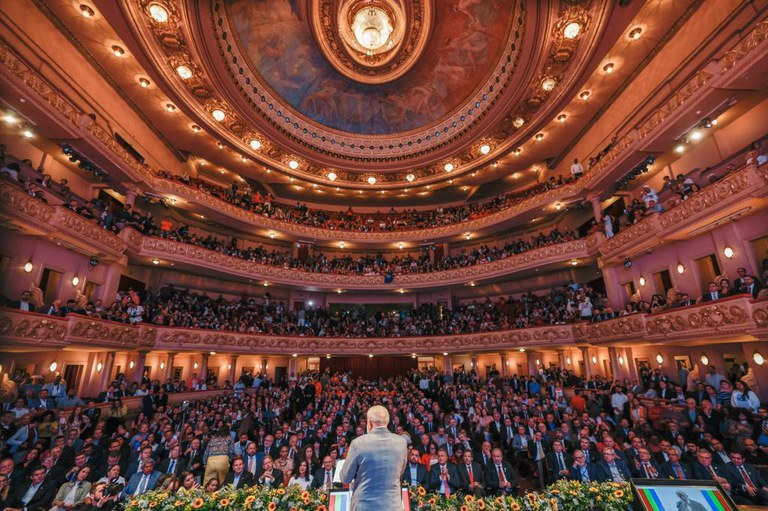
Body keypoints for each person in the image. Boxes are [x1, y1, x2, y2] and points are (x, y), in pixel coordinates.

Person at [339, 405, 408, 511]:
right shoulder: (402, 442)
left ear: (369, 423)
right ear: (387, 421)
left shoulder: (358, 443)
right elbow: (400, 472)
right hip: (393, 506)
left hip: (364, 506)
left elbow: (345, 478)